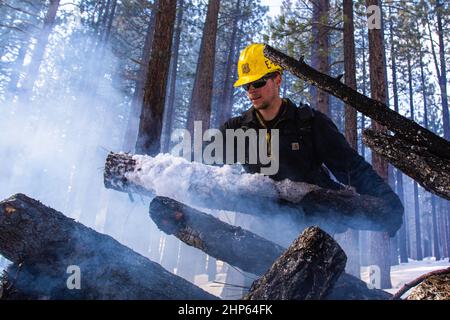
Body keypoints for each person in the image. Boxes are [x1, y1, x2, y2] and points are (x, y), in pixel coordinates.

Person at [219, 43, 403, 236]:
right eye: (246, 85)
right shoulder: (236, 129)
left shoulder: (309, 123)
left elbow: (351, 167)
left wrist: (387, 201)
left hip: (315, 233)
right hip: (265, 235)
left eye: (258, 83)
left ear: (277, 79)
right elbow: (198, 164)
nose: (251, 91)